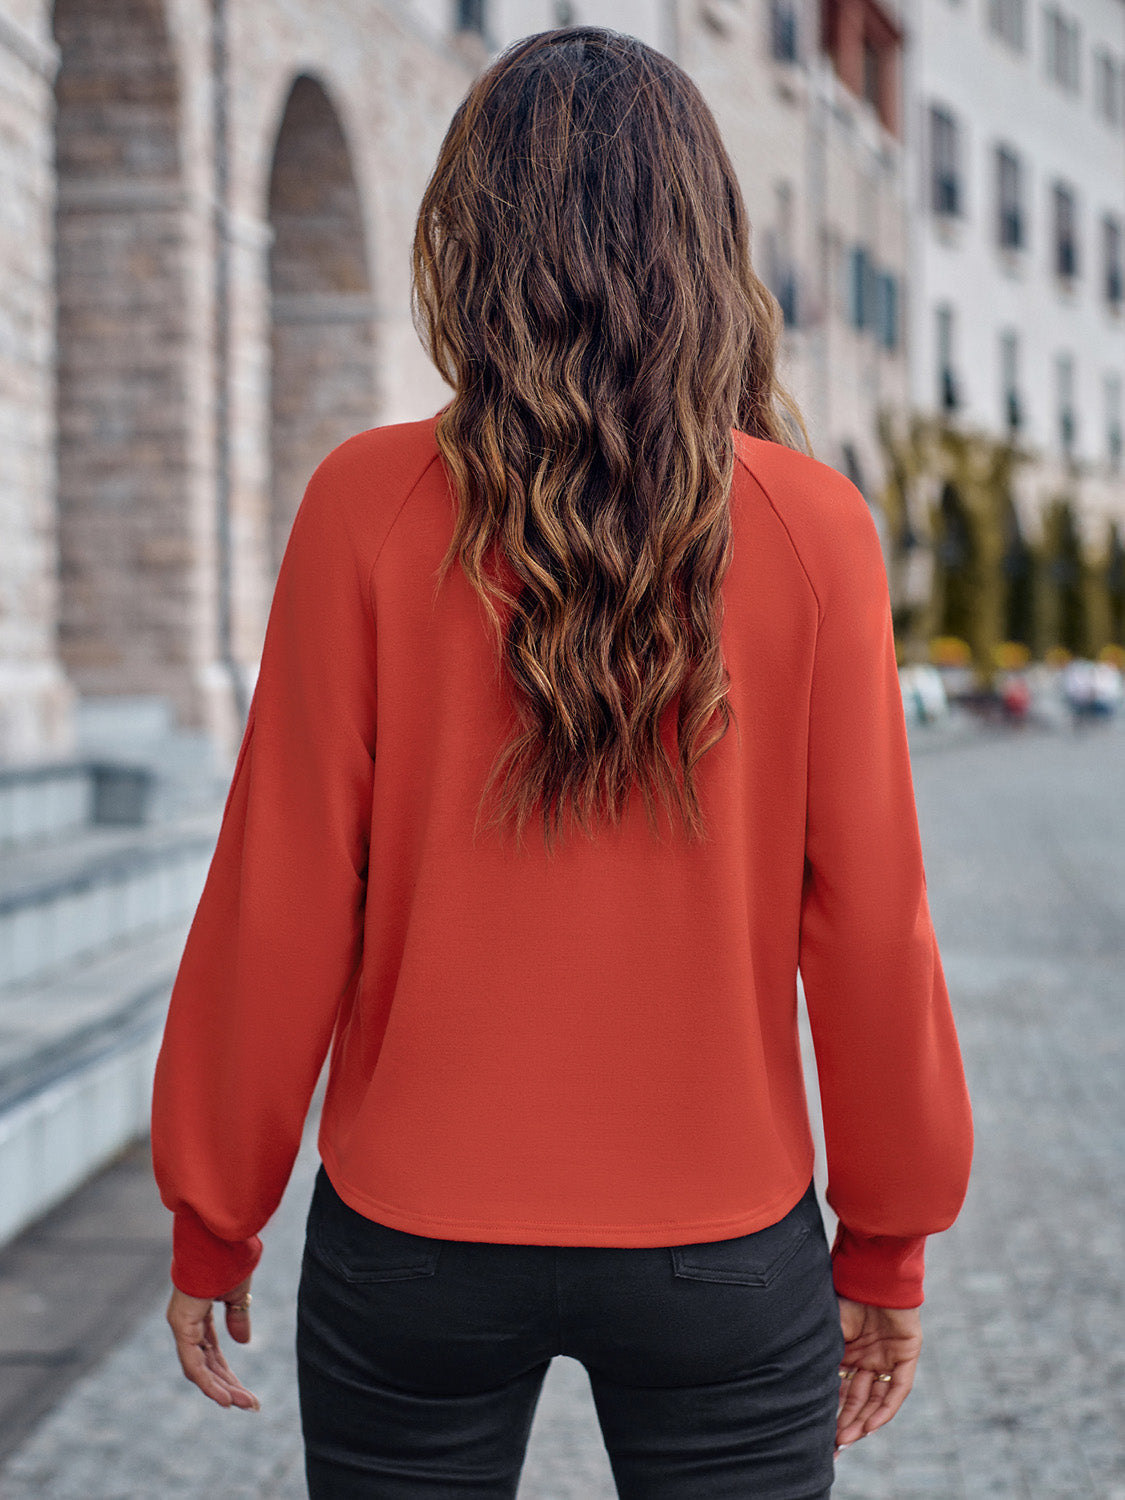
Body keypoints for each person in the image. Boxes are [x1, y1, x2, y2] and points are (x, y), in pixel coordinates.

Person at [151, 26, 973, 1499]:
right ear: (709, 244)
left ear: (471, 238)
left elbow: (277, 895)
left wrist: (217, 1212)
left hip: (414, 1236)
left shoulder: (363, 503)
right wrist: (887, 1240)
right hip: (720, 1241)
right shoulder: (811, 528)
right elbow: (871, 923)